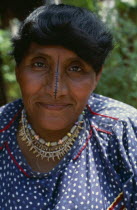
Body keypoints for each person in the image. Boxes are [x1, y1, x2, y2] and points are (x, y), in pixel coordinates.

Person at [0, 4, 137, 210]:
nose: (56, 90)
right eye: (39, 64)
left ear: (96, 76)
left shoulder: (123, 131)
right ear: (18, 70)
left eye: (75, 68)